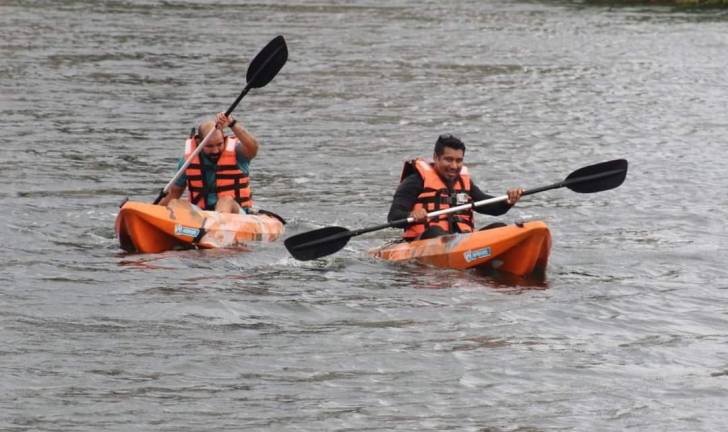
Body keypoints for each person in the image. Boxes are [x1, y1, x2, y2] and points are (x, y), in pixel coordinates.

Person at [387, 134, 524, 241]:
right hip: (425, 241)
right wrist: (412, 215)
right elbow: (393, 217)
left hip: (461, 241)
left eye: (459, 160)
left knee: (499, 227)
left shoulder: (465, 183)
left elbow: (488, 205)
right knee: (435, 231)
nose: (454, 166)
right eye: (449, 159)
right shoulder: (415, 181)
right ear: (436, 157)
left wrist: (508, 201)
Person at [159, 112, 258, 214]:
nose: (215, 150)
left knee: (226, 200)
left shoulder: (238, 154)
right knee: (175, 203)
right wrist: (149, 212)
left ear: (223, 138)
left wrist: (232, 123)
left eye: (219, 144)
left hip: (236, 213)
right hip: (202, 214)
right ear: (198, 142)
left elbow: (253, 148)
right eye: (209, 146)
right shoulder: (188, 161)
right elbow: (173, 194)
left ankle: (216, 226)